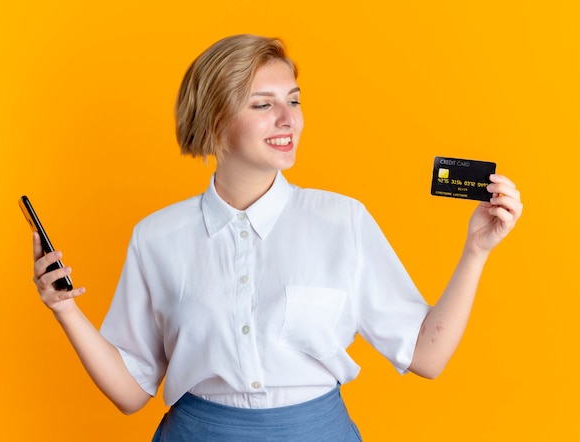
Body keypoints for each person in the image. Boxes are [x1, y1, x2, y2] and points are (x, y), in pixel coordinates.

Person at [31, 34, 523, 441]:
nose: (289, 120)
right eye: (264, 105)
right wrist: (65, 309)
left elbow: (427, 357)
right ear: (216, 123)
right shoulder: (157, 237)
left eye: (293, 101)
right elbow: (131, 392)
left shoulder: (343, 220)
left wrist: (476, 251)